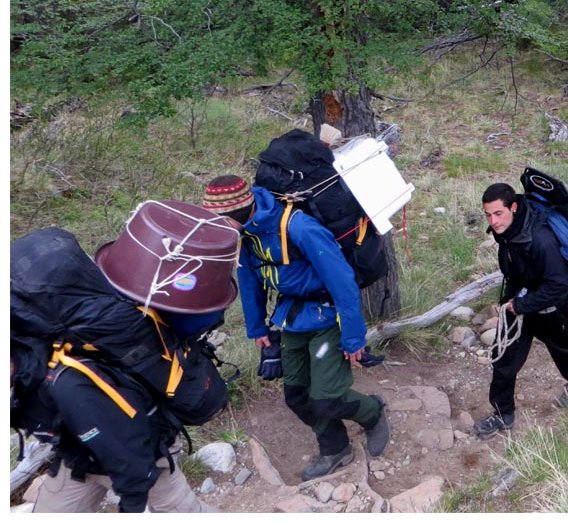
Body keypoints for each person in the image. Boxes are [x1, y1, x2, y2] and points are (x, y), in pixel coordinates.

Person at [203, 175, 390, 480]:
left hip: (328, 317)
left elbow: (342, 281)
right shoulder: (247, 235)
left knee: (327, 397)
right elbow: (250, 281)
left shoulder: (298, 227)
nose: (214, 227)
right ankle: (335, 447)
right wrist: (257, 328)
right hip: (293, 317)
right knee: (297, 394)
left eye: (218, 219)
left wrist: (354, 337)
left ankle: (373, 412)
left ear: (236, 213)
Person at [11, 340, 216, 513]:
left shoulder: (67, 385)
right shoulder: (21, 384)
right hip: (81, 458)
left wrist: (130, 507)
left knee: (183, 511)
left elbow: (129, 453)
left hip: (145, 454)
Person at [474, 182, 568, 439]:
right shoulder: (508, 231)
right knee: (503, 356)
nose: (493, 221)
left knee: (563, 345)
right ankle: (502, 414)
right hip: (521, 298)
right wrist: (512, 302)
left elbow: (558, 286)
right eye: (488, 215)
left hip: (548, 304)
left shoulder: (541, 240)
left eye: (498, 213)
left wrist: (519, 305)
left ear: (513, 207)